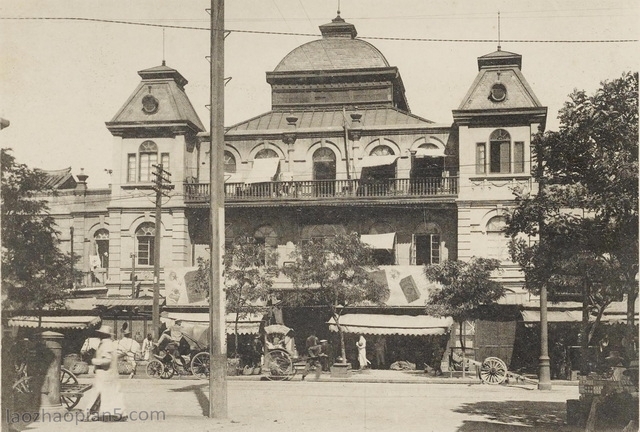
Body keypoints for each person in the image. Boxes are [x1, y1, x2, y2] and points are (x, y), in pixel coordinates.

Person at [84, 326, 127, 421]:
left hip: (105, 375)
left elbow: (107, 360)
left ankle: (95, 414)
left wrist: (93, 361)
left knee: (100, 393)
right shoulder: (108, 344)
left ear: (103, 335)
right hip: (108, 374)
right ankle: (118, 413)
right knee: (112, 394)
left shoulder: (106, 345)